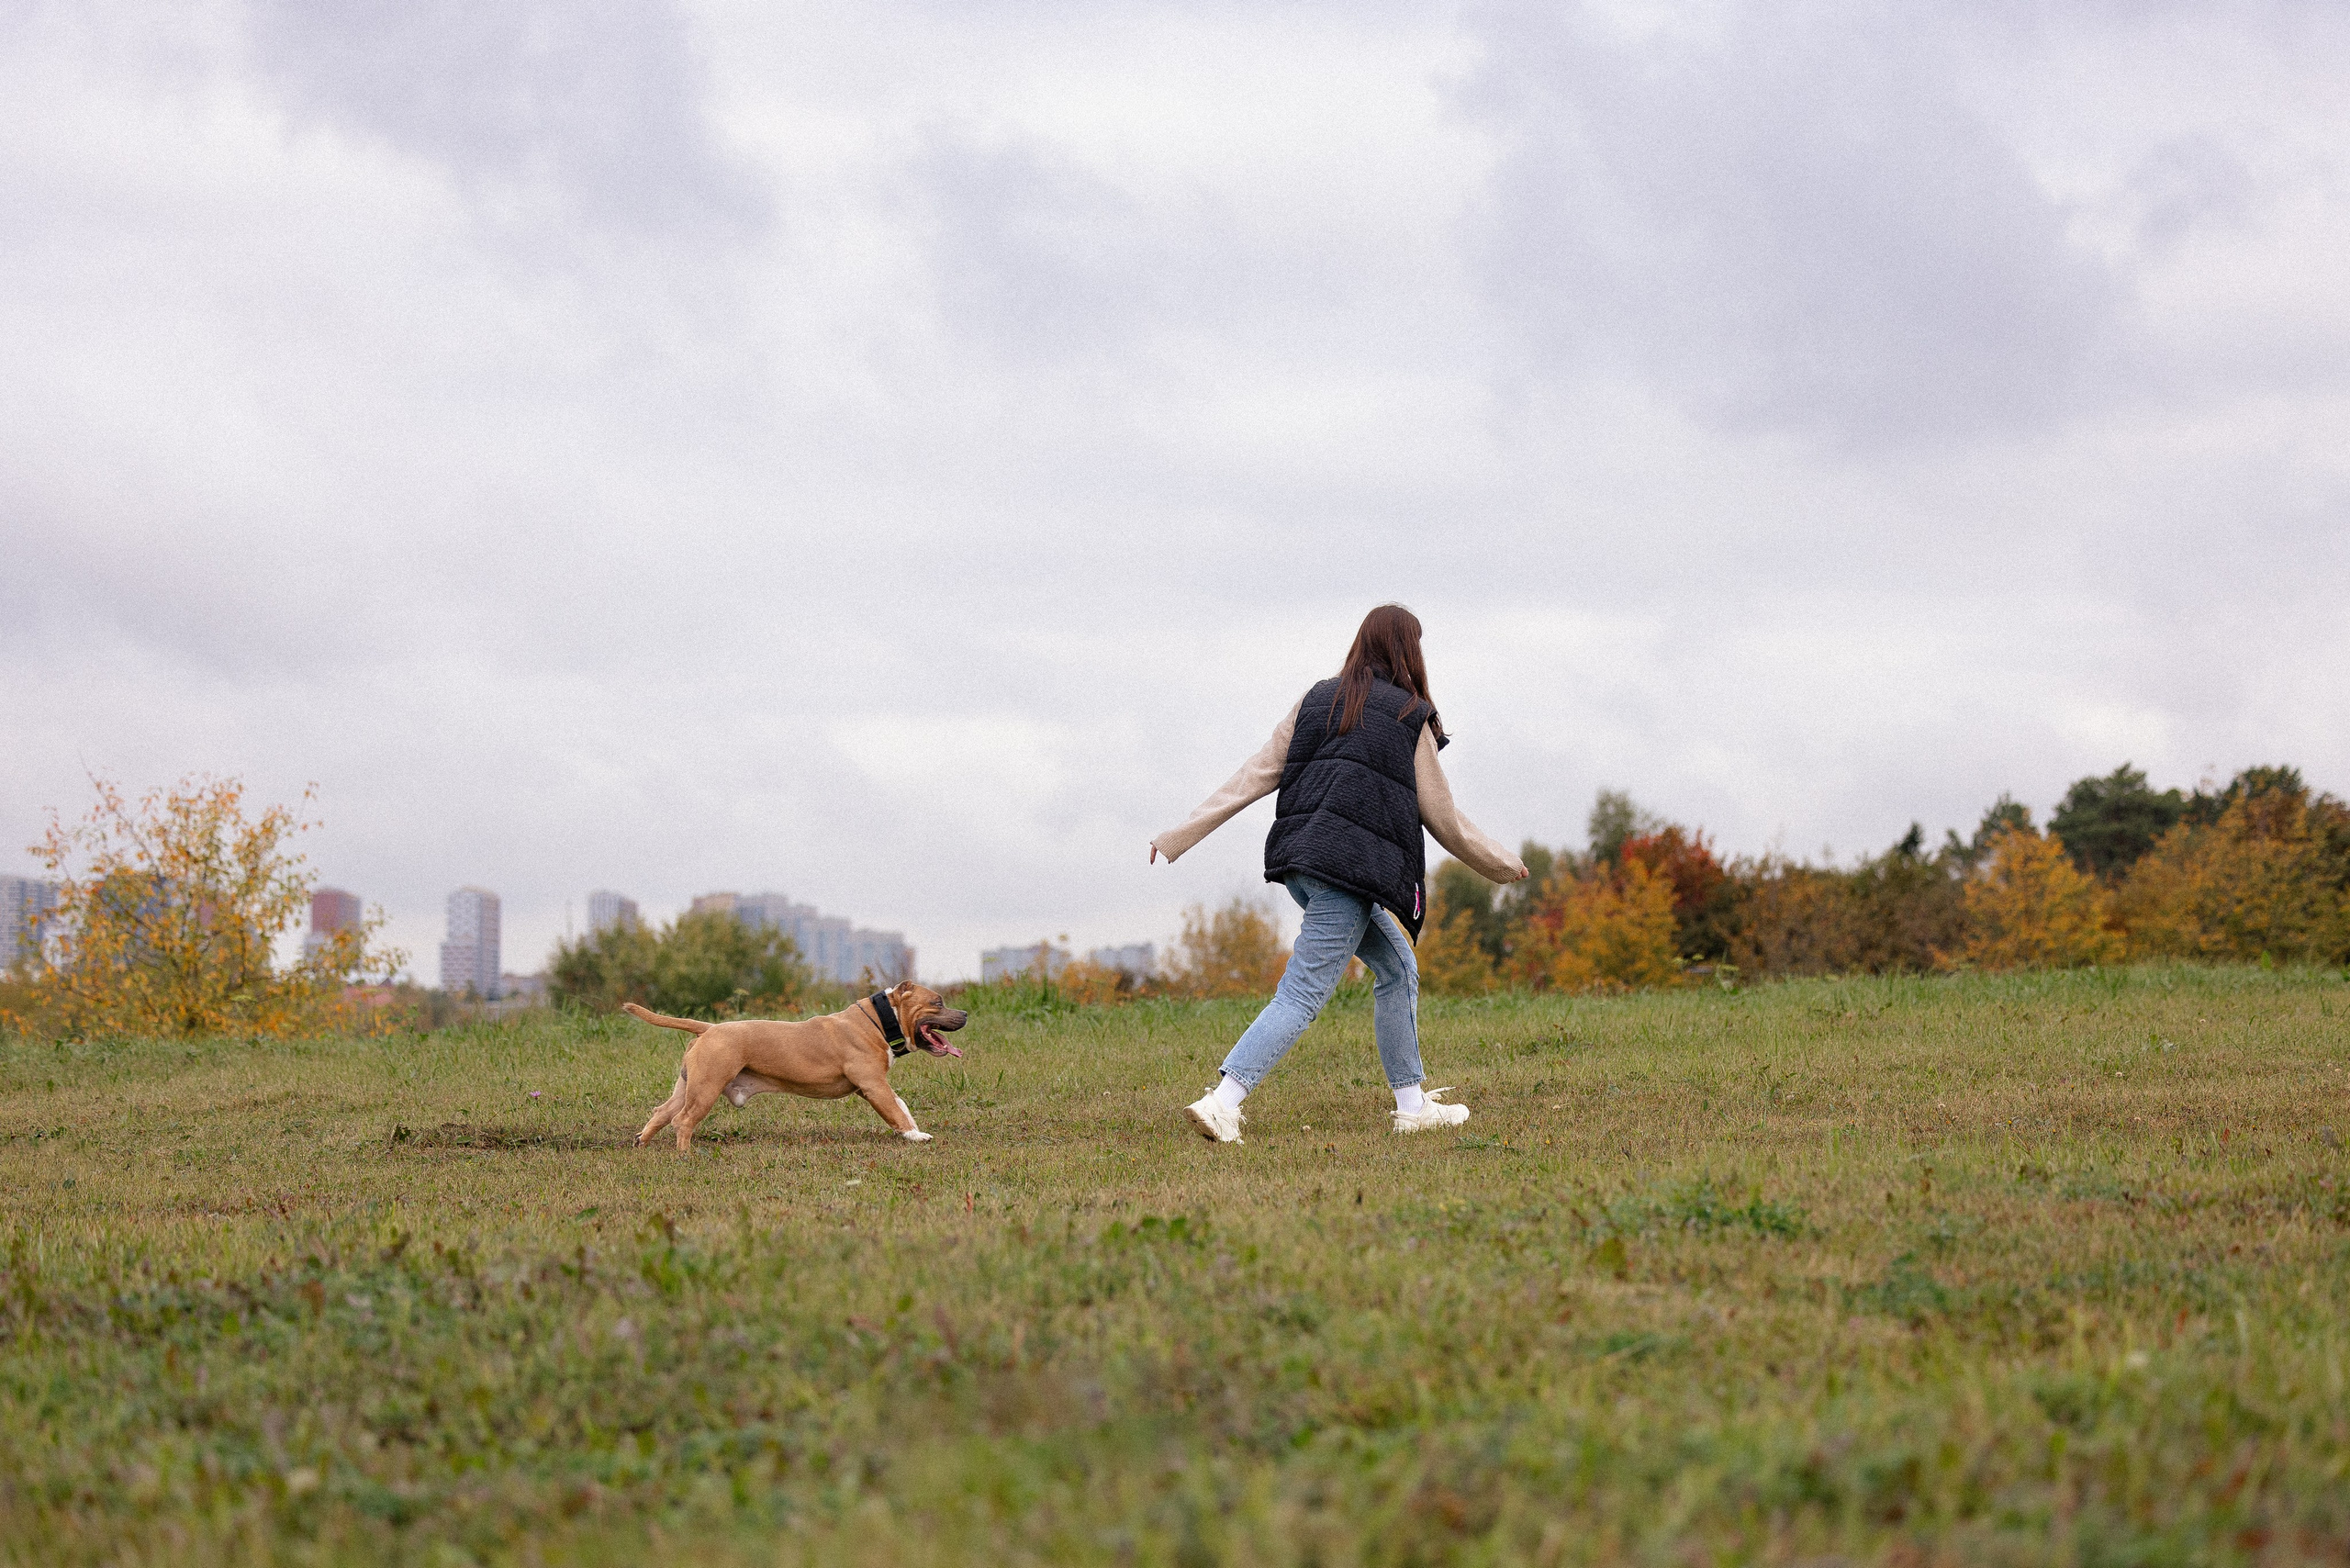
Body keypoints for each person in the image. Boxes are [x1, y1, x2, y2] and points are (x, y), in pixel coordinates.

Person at [1149, 604, 1528, 1142]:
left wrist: (1177, 835)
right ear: (1409, 651)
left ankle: (1412, 1105)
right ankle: (1222, 1102)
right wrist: (1502, 863)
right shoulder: (1408, 715)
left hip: (1304, 865)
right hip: (1347, 872)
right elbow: (1443, 816)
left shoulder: (1316, 700)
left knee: (1398, 968)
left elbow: (1255, 774)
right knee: (1303, 992)